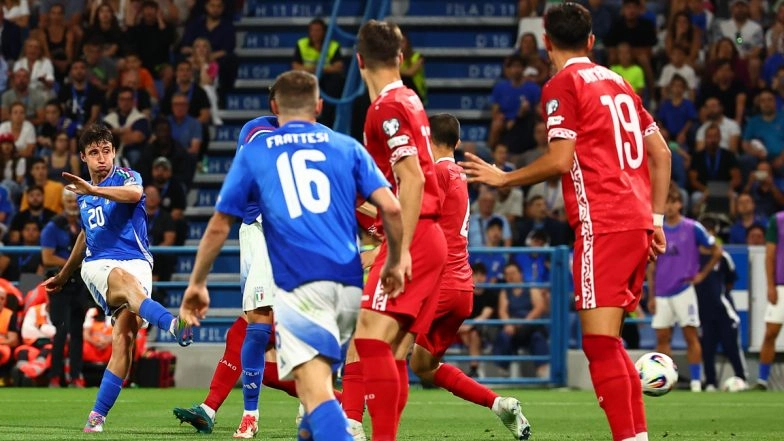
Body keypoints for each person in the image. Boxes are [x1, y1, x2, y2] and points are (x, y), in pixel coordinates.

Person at [460, 4, 672, 441]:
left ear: (546, 42)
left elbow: (561, 159)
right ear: (591, 41)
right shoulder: (618, 82)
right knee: (610, 341)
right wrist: (656, 219)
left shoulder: (562, 84)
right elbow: (662, 155)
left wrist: (505, 177)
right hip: (636, 218)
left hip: (604, 219)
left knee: (598, 344)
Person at [179, 70, 405, 441]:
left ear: (273, 106)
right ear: (319, 106)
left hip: (301, 277)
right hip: (346, 282)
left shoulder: (258, 148)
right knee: (313, 395)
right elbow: (392, 210)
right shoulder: (345, 146)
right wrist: (394, 261)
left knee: (313, 387)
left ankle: (329, 427)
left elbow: (220, 223)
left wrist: (198, 282)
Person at [41, 124, 193, 432]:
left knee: (124, 338)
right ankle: (172, 324)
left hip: (139, 263)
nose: (101, 158)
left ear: (114, 152)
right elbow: (86, 234)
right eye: (94, 153)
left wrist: (93, 189)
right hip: (99, 265)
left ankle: (96, 417)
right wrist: (65, 273)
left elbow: (135, 194)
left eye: (106, 151)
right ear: (83, 156)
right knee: (122, 279)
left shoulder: (125, 177)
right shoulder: (84, 194)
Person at [341, 21, 447, 441]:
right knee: (393, 348)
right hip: (425, 233)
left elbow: (414, 178)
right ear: (401, 58)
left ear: (359, 60)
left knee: (367, 337)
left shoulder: (385, 108)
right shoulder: (410, 98)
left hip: (415, 234)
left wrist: (400, 251)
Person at [172, 94, 301, 435]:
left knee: (258, 331)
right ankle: (211, 408)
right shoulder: (257, 130)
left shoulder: (286, 136)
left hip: (274, 230)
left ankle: (322, 401)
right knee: (246, 333)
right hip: (262, 228)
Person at [405, 113, 529, 437]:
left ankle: (355, 422)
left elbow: (420, 217)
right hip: (462, 286)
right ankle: (499, 404)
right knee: (422, 366)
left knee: (384, 343)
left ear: (425, 137)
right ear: (458, 143)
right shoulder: (458, 172)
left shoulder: (434, 172)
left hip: (438, 282)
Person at [647, 187, 721, 392]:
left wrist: (702, 275)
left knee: (690, 335)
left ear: (680, 204)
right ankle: (667, 382)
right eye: (666, 202)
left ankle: (696, 382)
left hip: (683, 290)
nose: (670, 206)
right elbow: (651, 265)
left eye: (673, 202)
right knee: (662, 337)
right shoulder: (656, 229)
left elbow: (716, 250)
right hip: (661, 291)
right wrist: (651, 295)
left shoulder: (693, 227)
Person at [40, 188, 90, 388]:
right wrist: (74, 263)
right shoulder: (52, 227)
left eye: (74, 200)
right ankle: (54, 376)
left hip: (79, 283)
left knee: (77, 331)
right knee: (61, 331)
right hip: (60, 283)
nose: (72, 204)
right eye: (68, 200)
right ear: (63, 202)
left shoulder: (83, 224)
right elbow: (47, 257)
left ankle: (76, 376)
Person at [696, 217, 748, 391]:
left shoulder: (723, 256)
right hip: (703, 310)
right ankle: (710, 382)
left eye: (710, 230)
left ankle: (741, 378)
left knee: (731, 346)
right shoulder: (693, 256)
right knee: (707, 348)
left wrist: (719, 296)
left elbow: (730, 281)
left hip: (723, 310)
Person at [756, 208, 784, 390]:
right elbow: (770, 254)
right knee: (770, 332)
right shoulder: (778, 220)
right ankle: (762, 381)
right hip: (782, 284)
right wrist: (770, 285)